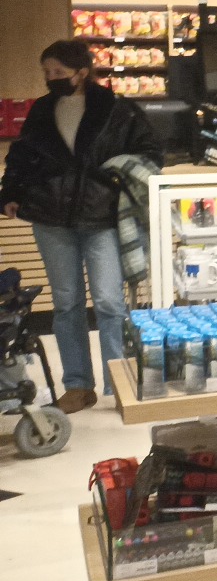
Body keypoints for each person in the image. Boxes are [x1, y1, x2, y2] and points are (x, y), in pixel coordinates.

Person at [0, 40, 161, 411]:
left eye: (58, 71)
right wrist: (10, 192)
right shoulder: (42, 109)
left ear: (82, 72)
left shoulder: (118, 109)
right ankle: (77, 386)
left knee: (109, 302)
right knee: (67, 303)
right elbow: (21, 155)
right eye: (47, 72)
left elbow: (151, 153)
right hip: (51, 217)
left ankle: (119, 384)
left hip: (101, 216)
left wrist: (115, 177)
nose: (50, 78)